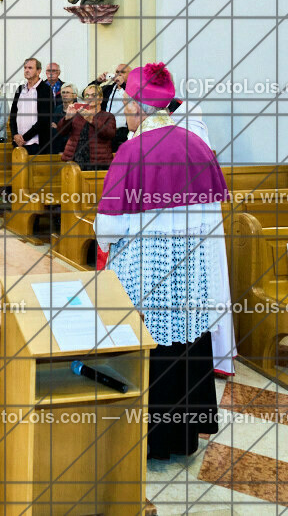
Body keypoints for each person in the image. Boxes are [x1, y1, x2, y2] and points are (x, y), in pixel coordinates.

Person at [94, 63, 227, 460]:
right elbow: (210, 216)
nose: (125, 112)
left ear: (139, 106)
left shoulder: (133, 150)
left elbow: (109, 227)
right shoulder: (197, 145)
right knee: (183, 343)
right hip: (189, 270)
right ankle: (182, 435)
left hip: (145, 271)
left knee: (147, 346)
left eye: (127, 104)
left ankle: (147, 442)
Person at [55, 83, 115, 169]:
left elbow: (110, 134)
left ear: (100, 99)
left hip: (98, 162)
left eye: (93, 95)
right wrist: (67, 117)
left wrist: (91, 119)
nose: (90, 97)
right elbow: (61, 132)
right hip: (75, 160)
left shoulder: (108, 116)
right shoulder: (77, 114)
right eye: (87, 95)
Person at [9, 58, 54, 155]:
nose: (26, 70)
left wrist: (24, 138)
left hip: (36, 144)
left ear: (38, 71)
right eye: (25, 68)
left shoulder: (45, 90)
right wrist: (15, 135)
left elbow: (44, 120)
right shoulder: (20, 89)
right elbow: (13, 115)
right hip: (18, 143)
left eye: (30, 68)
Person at [95, 63, 130, 150]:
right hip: (106, 132)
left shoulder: (133, 89)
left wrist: (123, 85)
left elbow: (136, 99)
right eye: (117, 72)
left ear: (130, 75)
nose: (119, 74)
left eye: (123, 72)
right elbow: (87, 93)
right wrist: (98, 81)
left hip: (125, 133)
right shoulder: (108, 89)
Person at [50, 82, 80, 153]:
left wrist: (58, 128)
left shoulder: (79, 110)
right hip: (57, 148)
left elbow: (75, 132)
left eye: (68, 92)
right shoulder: (57, 109)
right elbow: (52, 128)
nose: (65, 95)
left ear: (75, 95)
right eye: (63, 92)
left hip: (74, 149)